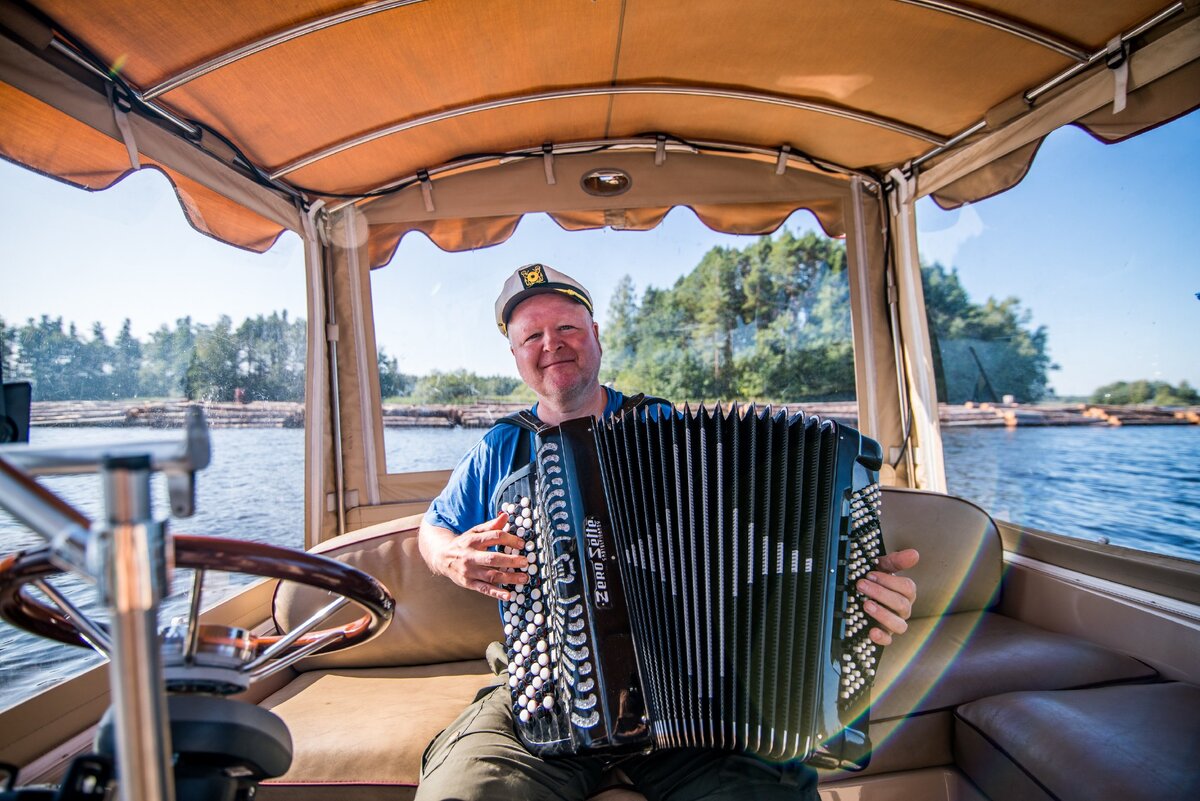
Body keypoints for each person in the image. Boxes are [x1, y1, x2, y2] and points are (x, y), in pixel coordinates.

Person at [416, 264, 921, 801]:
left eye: (567, 328)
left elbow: (761, 535)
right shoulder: (499, 448)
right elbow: (434, 525)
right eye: (531, 336)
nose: (551, 345)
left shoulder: (670, 430)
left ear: (596, 338)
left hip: (691, 698)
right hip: (544, 690)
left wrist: (850, 585)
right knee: (467, 792)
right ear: (516, 356)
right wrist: (451, 556)